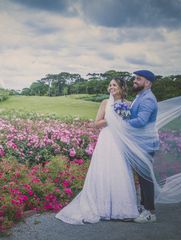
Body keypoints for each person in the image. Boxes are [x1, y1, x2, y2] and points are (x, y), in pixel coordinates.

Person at [55, 78, 139, 224]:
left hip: (120, 140)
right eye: (110, 85)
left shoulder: (129, 104)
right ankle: (102, 207)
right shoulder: (105, 103)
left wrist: (123, 117)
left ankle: (122, 209)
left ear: (121, 88)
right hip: (107, 139)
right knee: (104, 169)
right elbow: (96, 124)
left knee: (120, 171)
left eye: (115, 85)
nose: (111, 87)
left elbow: (131, 124)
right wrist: (111, 118)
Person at [127, 70, 158, 223]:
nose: (135, 81)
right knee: (142, 176)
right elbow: (133, 113)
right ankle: (144, 206)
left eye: (138, 79)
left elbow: (141, 121)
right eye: (135, 78)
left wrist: (122, 123)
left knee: (145, 178)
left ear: (148, 83)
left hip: (145, 144)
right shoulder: (140, 96)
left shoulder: (148, 99)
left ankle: (150, 213)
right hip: (140, 143)